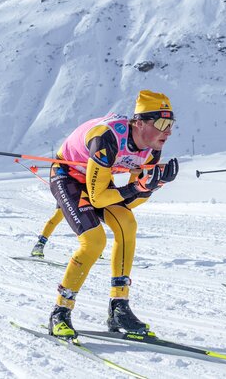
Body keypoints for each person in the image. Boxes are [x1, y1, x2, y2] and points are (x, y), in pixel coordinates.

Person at [47, 90, 179, 340]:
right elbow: (97, 198)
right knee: (94, 241)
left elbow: (131, 201)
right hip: (69, 177)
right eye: (162, 124)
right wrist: (138, 186)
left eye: (171, 124)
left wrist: (152, 186)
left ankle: (119, 308)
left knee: (127, 223)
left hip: (98, 182)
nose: (168, 131)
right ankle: (60, 311)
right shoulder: (107, 137)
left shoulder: (152, 149)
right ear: (139, 123)